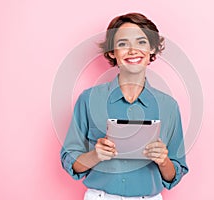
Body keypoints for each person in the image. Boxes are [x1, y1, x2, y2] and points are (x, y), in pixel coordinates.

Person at [60, 13, 188, 200]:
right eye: (122, 44)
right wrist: (96, 155)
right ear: (112, 52)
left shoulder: (168, 106)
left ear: (152, 48)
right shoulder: (89, 100)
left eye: (141, 42)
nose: (132, 50)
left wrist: (163, 160)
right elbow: (70, 163)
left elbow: (174, 175)